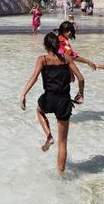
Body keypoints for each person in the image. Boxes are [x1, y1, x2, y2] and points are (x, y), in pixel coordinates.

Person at [19, 32, 85, 173]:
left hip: (49, 99)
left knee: (39, 110)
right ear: (57, 44)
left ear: (45, 46)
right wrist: (80, 94)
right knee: (63, 143)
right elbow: (80, 78)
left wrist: (24, 93)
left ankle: (48, 136)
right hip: (64, 101)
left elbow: (34, 77)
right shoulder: (66, 58)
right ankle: (60, 175)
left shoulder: (42, 59)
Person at [55, 21, 97, 103]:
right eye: (67, 30)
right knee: (81, 79)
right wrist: (87, 61)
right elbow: (71, 56)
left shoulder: (61, 39)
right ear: (62, 30)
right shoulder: (62, 41)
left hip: (59, 69)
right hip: (62, 69)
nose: (69, 32)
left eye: (70, 30)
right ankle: (79, 95)